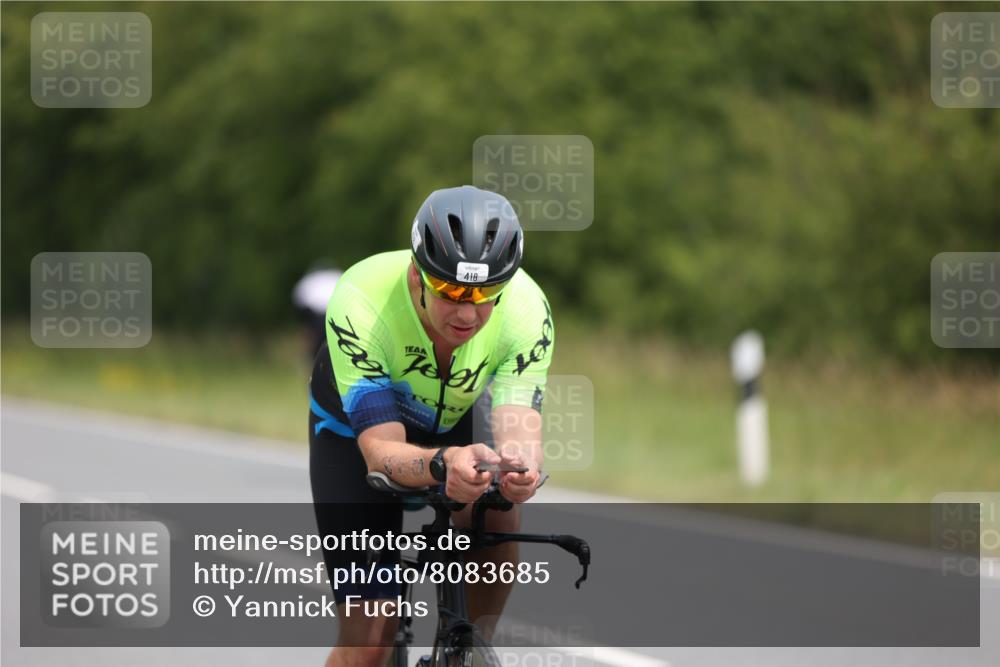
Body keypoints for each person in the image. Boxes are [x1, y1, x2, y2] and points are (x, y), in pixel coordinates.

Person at [308, 185, 554, 667]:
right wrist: (443, 464)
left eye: (486, 295)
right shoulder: (363, 298)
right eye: (452, 293)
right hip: (354, 432)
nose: (468, 312)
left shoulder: (527, 308)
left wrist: (522, 469)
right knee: (370, 639)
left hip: (454, 420)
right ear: (417, 274)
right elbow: (382, 454)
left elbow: (521, 428)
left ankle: (471, 647)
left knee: (499, 506)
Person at [293, 263, 343, 358]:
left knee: (316, 351)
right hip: (335, 315)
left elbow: (300, 304)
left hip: (315, 317)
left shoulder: (307, 281)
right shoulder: (338, 275)